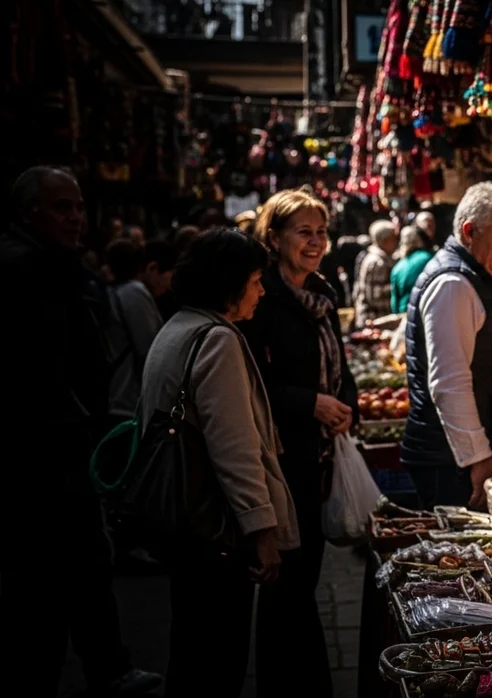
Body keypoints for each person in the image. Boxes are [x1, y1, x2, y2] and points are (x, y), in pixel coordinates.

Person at [0, 166, 162, 696]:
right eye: (60, 207)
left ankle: (107, 666)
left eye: (77, 206)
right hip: (43, 451)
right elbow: (42, 369)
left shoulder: (56, 266)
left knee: (86, 563)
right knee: (52, 574)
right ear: (29, 214)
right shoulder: (25, 270)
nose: (74, 217)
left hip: (67, 443)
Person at [138, 228, 298, 698]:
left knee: (190, 647)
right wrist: (263, 532)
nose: (262, 291)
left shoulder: (177, 326)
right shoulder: (217, 340)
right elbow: (236, 449)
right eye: (254, 280)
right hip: (213, 528)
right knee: (216, 656)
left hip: (182, 525)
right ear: (228, 283)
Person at [239, 188, 357, 698]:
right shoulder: (259, 296)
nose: (315, 242)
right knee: (285, 586)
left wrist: (344, 403)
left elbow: (340, 368)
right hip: (280, 458)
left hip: (320, 457)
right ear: (275, 236)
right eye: (303, 232)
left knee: (305, 579)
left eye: (321, 232)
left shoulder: (323, 294)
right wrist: (310, 403)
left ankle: (309, 682)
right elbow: (252, 382)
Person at [401, 182, 492, 509]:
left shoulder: (468, 275)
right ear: (470, 231)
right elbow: (449, 382)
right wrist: (477, 458)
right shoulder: (453, 283)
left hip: (452, 458)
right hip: (450, 464)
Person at [105, 239, 178, 423]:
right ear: (152, 268)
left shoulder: (124, 291)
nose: (170, 284)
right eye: (170, 274)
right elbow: (150, 350)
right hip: (127, 402)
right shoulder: (134, 292)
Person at [353, 220, 398, 324]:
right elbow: (374, 296)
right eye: (393, 238)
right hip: (373, 320)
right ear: (384, 240)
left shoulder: (383, 258)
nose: (396, 242)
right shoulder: (377, 262)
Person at [390, 220, 435, 314]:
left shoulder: (397, 267)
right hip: (424, 312)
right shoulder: (429, 258)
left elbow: (394, 302)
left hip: (404, 314)